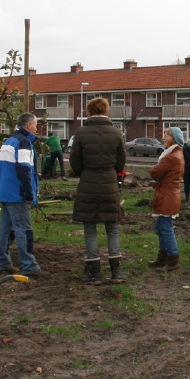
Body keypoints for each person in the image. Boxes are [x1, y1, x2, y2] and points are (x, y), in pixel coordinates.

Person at [70, 97, 127, 285]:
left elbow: (75, 162)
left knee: (90, 228)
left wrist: (86, 173)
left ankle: (94, 272)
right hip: (110, 183)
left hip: (88, 182)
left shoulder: (81, 133)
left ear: (89, 111)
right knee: (112, 227)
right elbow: (121, 163)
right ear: (107, 110)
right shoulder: (117, 133)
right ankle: (116, 272)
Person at [0, 113, 43, 277]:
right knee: (24, 230)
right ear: (28, 126)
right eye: (35, 125)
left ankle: (3, 262)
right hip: (17, 194)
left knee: (5, 230)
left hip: (4, 191)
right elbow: (24, 169)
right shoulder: (23, 142)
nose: (37, 128)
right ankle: (29, 265)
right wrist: (29, 193)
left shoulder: (9, 140)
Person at [147, 127, 185, 272]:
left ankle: (173, 259)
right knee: (161, 228)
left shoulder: (171, 157)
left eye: (167, 135)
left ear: (174, 138)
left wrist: (154, 171)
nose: (164, 137)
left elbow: (155, 172)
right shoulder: (177, 153)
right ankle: (162, 258)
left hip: (167, 195)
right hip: (169, 193)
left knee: (166, 228)